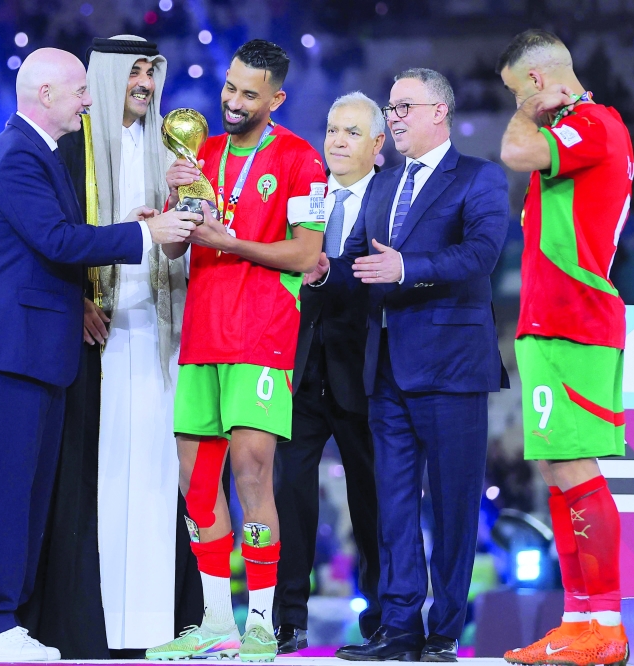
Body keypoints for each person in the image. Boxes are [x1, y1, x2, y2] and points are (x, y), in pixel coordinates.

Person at [0, 47, 200, 662]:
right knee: (10, 490)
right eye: (79, 91)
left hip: (35, 349)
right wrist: (148, 233)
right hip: (12, 348)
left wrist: (139, 223)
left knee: (30, 490)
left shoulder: (34, 154)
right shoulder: (17, 157)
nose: (89, 100)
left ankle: (5, 622)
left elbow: (64, 239)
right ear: (45, 95)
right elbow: (58, 241)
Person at [309, 68, 510, 662]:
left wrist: (408, 267)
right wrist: (325, 272)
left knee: (452, 508)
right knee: (392, 505)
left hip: (452, 368)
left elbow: (481, 255)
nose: (393, 117)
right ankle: (399, 631)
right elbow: (356, 263)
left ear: (440, 111)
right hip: (385, 369)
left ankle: (444, 633)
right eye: (391, 109)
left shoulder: (479, 177)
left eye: (404, 107)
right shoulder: (381, 184)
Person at [146, 39, 326, 663]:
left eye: (250, 93)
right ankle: (215, 620)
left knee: (252, 474)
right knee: (197, 482)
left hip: (261, 337)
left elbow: (305, 255)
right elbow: (175, 251)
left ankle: (261, 622)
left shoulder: (303, 163)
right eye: (229, 87)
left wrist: (231, 239)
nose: (233, 101)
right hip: (201, 337)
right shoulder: (201, 154)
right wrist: (173, 215)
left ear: (275, 98)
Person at [498, 29, 632, 666]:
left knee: (576, 469)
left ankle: (604, 624)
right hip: (551, 323)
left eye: (515, 91)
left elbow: (513, 150)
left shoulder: (595, 125)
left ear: (538, 81)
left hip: (574, 321)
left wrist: (528, 110)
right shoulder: (579, 134)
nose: (514, 106)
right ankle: (578, 621)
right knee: (558, 471)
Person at [272, 91, 384, 654]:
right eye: (332, 130)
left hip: (363, 373)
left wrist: (323, 272)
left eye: (351, 132)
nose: (337, 141)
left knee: (371, 500)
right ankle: (286, 619)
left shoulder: (391, 200)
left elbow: (377, 276)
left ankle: (382, 621)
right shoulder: (301, 196)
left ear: (377, 145)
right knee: (289, 493)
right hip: (298, 365)